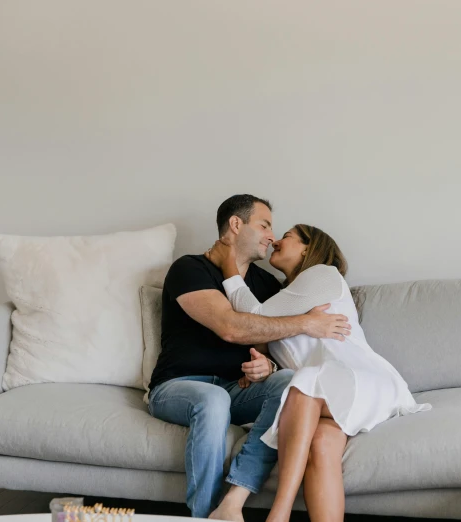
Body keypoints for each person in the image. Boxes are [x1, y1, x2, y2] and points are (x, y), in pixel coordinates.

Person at [207, 224, 431, 522]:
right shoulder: (290, 299)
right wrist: (269, 367)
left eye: (286, 236)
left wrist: (228, 266)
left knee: (303, 385)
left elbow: (254, 318)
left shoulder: (323, 274)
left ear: (307, 248)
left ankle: (279, 515)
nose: (275, 239)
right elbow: (292, 351)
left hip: (359, 378)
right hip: (330, 395)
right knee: (321, 446)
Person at [147, 195, 352, 521]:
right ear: (236, 224)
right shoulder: (190, 268)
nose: (272, 236)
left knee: (288, 384)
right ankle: (204, 516)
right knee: (212, 400)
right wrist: (307, 323)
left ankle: (233, 503)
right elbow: (230, 327)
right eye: (265, 225)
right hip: (179, 386)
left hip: (237, 389)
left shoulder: (266, 284)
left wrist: (267, 367)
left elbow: (273, 348)